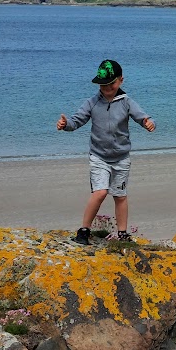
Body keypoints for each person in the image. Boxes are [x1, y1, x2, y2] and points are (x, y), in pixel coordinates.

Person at [56, 58, 156, 244]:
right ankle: (84, 231)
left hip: (121, 158)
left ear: (121, 80)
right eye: (103, 85)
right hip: (99, 157)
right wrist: (65, 125)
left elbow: (143, 117)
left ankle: (123, 234)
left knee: (120, 195)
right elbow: (76, 121)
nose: (107, 88)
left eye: (111, 84)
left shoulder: (127, 102)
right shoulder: (92, 102)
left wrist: (149, 124)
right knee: (101, 192)